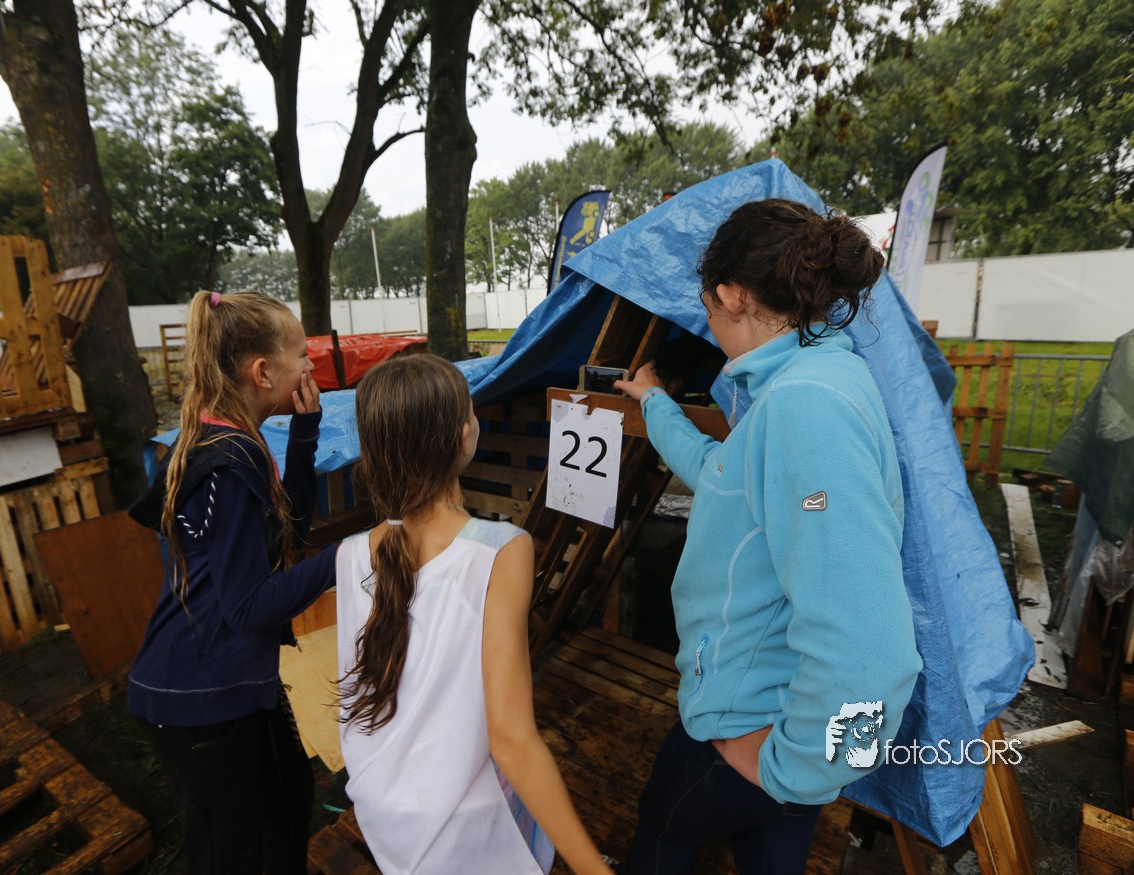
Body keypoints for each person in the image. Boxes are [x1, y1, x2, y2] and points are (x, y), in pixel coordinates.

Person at [613, 198, 923, 874]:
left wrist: (799, 767)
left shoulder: (803, 406)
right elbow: (720, 474)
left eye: (705, 306)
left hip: (753, 725)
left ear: (732, 296)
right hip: (781, 713)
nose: (708, 321)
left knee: (663, 825)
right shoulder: (814, 379)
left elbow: (871, 651)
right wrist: (655, 401)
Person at [336, 354, 614, 875]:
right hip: (468, 834)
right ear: (464, 437)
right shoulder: (501, 549)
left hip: (385, 816)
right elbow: (512, 740)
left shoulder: (350, 552)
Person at [126, 290, 336, 874]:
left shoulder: (228, 435)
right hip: (198, 692)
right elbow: (248, 608)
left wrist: (306, 432)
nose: (310, 365)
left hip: (228, 677)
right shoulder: (229, 457)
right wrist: (348, 556)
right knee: (230, 854)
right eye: (302, 354)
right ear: (262, 372)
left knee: (288, 805)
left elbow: (289, 529)